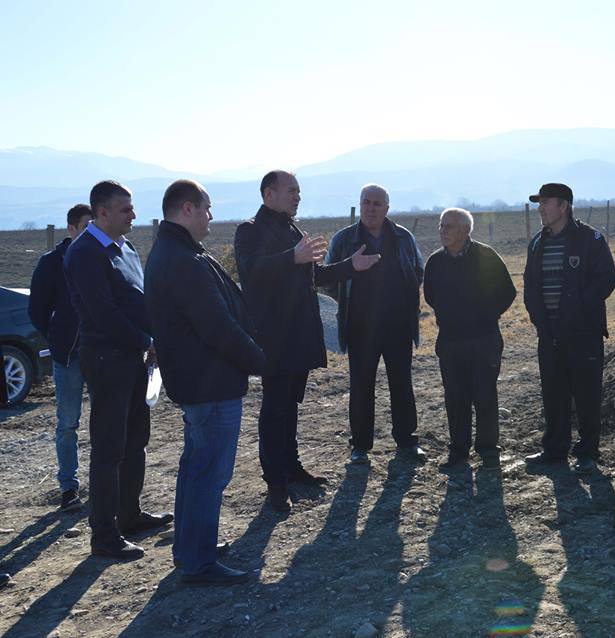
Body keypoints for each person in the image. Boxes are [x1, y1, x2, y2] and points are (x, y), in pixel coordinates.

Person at [234, 171, 379, 512]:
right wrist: (292, 258)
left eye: (299, 191)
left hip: (299, 334)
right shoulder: (250, 230)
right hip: (274, 337)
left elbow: (314, 275)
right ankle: (276, 484)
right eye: (291, 191)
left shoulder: (292, 230)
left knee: (290, 405)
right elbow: (251, 270)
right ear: (269, 194)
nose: (298, 196)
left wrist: (350, 266)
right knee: (275, 408)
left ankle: (292, 468)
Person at [145, 180, 266, 585]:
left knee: (197, 467)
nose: (211, 217)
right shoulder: (182, 260)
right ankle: (197, 561)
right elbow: (217, 327)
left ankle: (192, 547)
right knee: (209, 473)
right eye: (206, 208)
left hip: (200, 381)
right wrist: (260, 361)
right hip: (209, 383)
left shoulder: (175, 251)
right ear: (187, 209)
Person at [63, 180, 172, 560]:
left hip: (136, 358)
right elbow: (102, 313)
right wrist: (146, 341)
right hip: (107, 359)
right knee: (109, 448)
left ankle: (129, 514)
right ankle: (104, 535)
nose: (133, 215)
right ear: (102, 212)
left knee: (135, 439)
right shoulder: (84, 253)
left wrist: (152, 339)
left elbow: (139, 300)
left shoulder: (125, 247)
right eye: (125, 209)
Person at [325, 184, 426, 466]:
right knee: (361, 386)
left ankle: (407, 441)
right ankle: (360, 446)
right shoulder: (343, 240)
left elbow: (417, 271)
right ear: (360, 205)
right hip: (360, 328)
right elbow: (329, 278)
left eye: (377, 204)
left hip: (398, 326)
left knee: (401, 384)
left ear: (387, 208)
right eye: (366, 202)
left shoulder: (403, 237)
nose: (370, 208)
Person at [522, 183, 615, 475]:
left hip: (583, 333)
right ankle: (555, 449)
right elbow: (530, 285)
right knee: (553, 392)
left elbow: (606, 280)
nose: (540, 208)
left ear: (563, 206)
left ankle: (588, 452)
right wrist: (540, 319)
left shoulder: (590, 239)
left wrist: (576, 311)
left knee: (587, 394)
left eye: (545, 202)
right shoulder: (537, 243)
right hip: (549, 335)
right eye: (539, 203)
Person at [423, 207, 516, 470]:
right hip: (450, 341)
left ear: (465, 230)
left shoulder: (486, 256)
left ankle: (488, 451)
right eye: (441, 225)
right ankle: (458, 452)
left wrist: (485, 315)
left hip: (484, 339)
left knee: (485, 395)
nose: (442, 231)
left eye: (448, 226)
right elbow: (430, 296)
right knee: (455, 398)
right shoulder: (435, 262)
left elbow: (507, 292)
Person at [28, 204, 93, 512]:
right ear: (71, 228)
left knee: (106, 421)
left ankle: (106, 484)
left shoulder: (103, 257)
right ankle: (69, 487)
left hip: (102, 353)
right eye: (85, 227)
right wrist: (56, 338)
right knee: (68, 423)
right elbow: (37, 310)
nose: (91, 232)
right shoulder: (52, 262)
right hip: (68, 356)